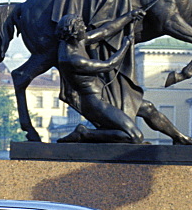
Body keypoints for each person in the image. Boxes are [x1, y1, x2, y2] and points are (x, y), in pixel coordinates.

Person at [55, 9, 146, 144]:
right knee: (135, 137)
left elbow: (105, 31)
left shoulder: (76, 41)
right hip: (95, 102)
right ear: (73, 30)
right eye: (81, 26)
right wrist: (125, 46)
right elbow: (108, 65)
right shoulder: (71, 58)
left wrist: (129, 16)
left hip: (104, 95)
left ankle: (181, 138)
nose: (85, 28)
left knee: (147, 108)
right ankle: (85, 134)